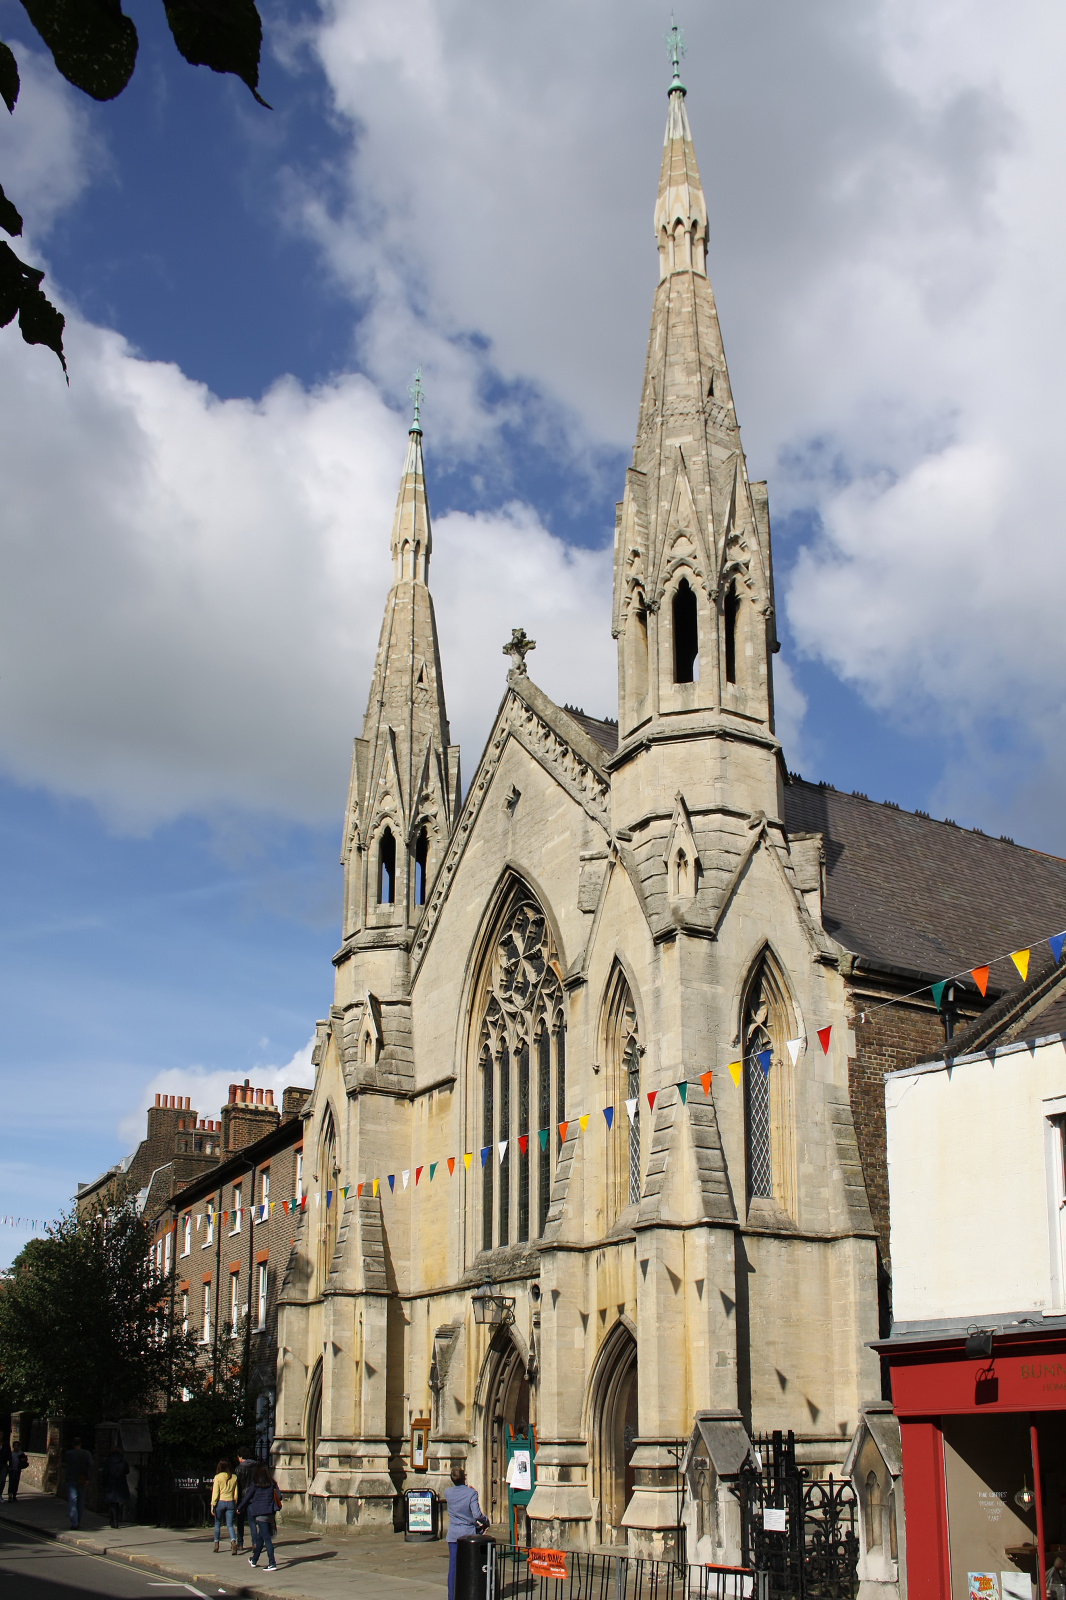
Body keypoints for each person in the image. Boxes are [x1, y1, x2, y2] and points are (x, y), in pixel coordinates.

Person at [443, 1464, 488, 1600]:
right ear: (464, 1478)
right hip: (468, 1535)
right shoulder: (471, 1493)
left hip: (453, 1535)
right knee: (470, 1566)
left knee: (453, 1568)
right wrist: (486, 1521)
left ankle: (452, 1596)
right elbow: (477, 1515)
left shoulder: (447, 1493)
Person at [238, 1463, 279, 1572]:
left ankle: (272, 1563)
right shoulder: (272, 1483)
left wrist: (239, 1508)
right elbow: (279, 1496)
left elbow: (247, 1497)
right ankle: (254, 1560)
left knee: (267, 1539)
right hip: (270, 1513)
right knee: (260, 1537)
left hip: (260, 1514)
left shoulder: (255, 1484)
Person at [64, 1436, 94, 1530]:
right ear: (81, 1444)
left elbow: (66, 1466)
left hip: (71, 1479)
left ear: (73, 1445)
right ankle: (78, 1521)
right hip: (82, 1479)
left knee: (72, 1501)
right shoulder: (87, 1454)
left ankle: (74, 1522)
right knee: (81, 1501)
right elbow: (90, 1466)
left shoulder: (68, 1454)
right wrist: (88, 1478)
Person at [209, 1458, 238, 1554]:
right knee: (229, 1524)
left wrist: (213, 1504)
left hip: (220, 1502)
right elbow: (236, 1493)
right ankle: (233, 1541)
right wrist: (235, 1503)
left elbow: (215, 1492)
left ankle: (216, 1543)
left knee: (217, 1523)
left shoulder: (217, 1477)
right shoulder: (234, 1477)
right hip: (230, 1501)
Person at [101, 1444, 131, 1529]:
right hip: (121, 1483)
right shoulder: (123, 1461)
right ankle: (116, 1520)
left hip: (111, 1483)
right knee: (118, 1502)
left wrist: (103, 1483)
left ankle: (114, 1521)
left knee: (112, 1503)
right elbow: (127, 1471)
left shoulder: (108, 1461)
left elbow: (105, 1473)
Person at [234, 1451, 256, 1551]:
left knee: (240, 1521)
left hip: (242, 1497)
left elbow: (238, 1485)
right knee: (252, 1521)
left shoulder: (239, 1469)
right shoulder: (256, 1467)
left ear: (240, 1457)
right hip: (253, 1496)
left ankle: (240, 1543)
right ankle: (255, 1542)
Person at [0, 1436, 9, 1502]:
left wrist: (10, 1465)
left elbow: (9, 1455)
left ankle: (0, 1494)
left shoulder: (6, 1445)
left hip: (3, 1464)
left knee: (2, 1480)